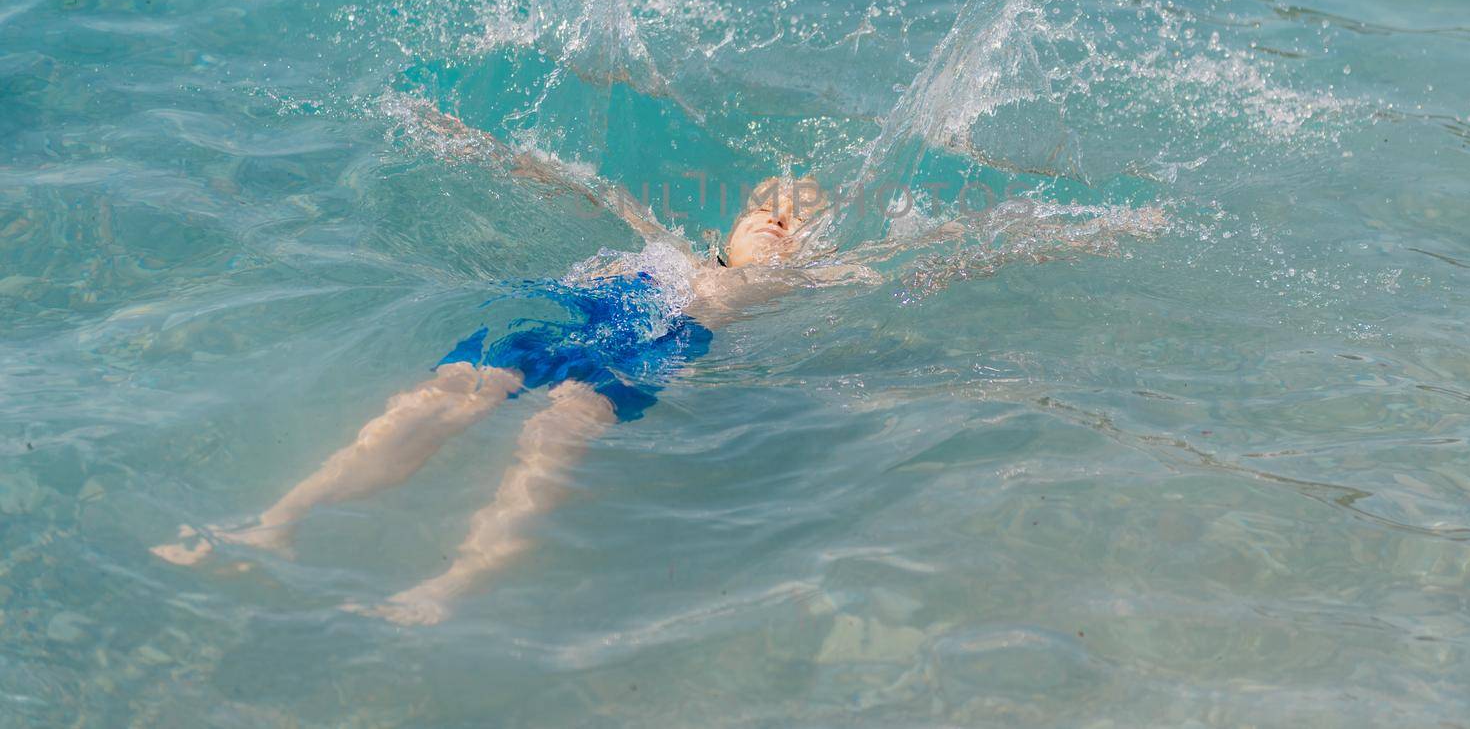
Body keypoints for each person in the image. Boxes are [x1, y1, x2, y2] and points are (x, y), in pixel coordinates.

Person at [152, 99, 1166, 625]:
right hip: (571, 316)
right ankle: (274, 524)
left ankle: (449, 587)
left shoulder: (822, 279)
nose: (780, 219)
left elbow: (947, 258)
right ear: (730, 214)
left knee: (551, 447)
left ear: (816, 247)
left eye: (799, 219)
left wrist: (1078, 235)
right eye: (768, 203)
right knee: (439, 400)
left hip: (645, 355)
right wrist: (484, 146)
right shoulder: (669, 244)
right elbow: (581, 187)